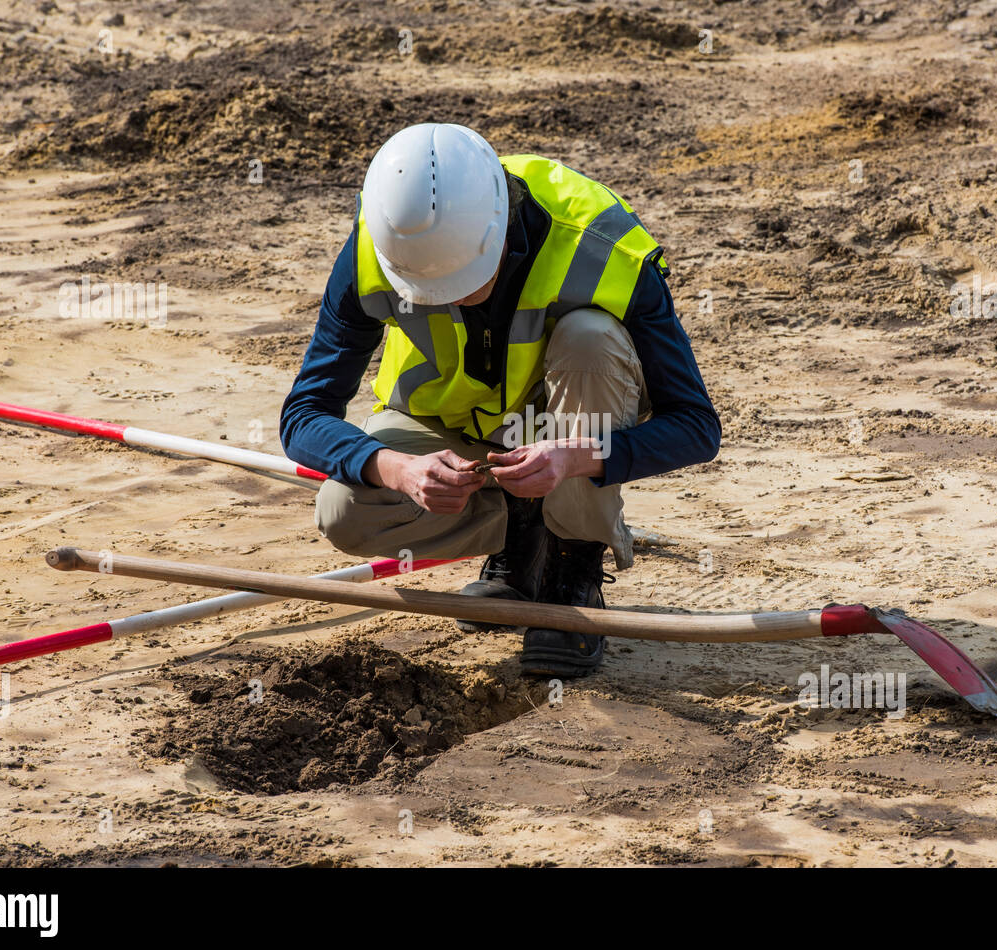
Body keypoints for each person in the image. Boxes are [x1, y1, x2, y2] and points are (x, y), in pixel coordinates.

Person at [281, 123, 720, 677]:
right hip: (446, 432)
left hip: (561, 436)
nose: (452, 298)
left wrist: (575, 460)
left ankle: (570, 570)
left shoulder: (603, 245)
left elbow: (697, 428)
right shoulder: (379, 242)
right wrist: (398, 469)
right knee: (343, 510)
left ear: (503, 229)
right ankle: (522, 534)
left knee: (590, 338)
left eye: (464, 280)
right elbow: (304, 414)